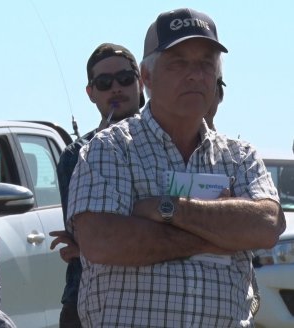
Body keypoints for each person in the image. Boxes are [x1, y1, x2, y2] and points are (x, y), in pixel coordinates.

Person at [66, 8, 285, 327]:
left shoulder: (240, 156)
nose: (195, 74)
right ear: (147, 78)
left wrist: (166, 208)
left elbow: (267, 225)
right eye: (179, 63)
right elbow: (103, 240)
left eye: (205, 64)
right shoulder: (109, 149)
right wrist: (219, 236)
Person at [49, 43, 145, 328]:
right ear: (91, 93)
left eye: (125, 79)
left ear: (141, 83)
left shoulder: (169, 143)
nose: (116, 88)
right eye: (104, 83)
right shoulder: (75, 154)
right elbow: (84, 236)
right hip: (86, 296)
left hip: (155, 294)